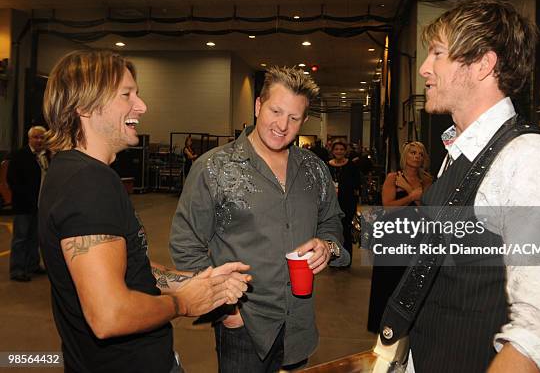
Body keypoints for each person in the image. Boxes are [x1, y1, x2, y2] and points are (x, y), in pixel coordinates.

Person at [378, 0, 540, 372]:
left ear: (482, 64)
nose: (425, 68)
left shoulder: (534, 163)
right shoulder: (460, 151)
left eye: (438, 53)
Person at [38, 50, 251, 373]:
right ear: (84, 105)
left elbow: (127, 267)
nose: (142, 106)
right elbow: (108, 315)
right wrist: (183, 303)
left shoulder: (72, 172)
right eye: (127, 94)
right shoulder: (88, 182)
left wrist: (196, 282)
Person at [170, 66, 349, 373]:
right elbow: (186, 244)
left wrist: (328, 247)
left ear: (304, 120)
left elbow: (332, 221)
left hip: (299, 327)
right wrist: (226, 310)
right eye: (275, 111)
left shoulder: (314, 169)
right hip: (244, 329)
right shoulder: (213, 168)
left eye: (294, 118)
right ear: (258, 106)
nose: (282, 125)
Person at [367, 141, 433, 332]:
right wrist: (412, 196)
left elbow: (429, 211)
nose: (417, 156)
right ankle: (383, 325)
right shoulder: (393, 178)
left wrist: (415, 194)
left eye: (421, 153)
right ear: (406, 155)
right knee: (388, 280)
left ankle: (409, 324)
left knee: (411, 280)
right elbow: (388, 207)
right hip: (393, 235)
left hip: (417, 236)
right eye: (413, 152)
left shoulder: (427, 180)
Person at [7, 125, 49, 282]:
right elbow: (12, 179)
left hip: (40, 205)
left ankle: (33, 265)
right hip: (24, 205)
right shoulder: (20, 155)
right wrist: (24, 196)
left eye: (42, 137)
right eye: (36, 137)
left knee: (35, 237)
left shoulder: (46, 156)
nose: (39, 140)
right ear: (29, 139)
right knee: (21, 238)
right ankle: (17, 269)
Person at [327, 140, 361, 266]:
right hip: (331, 204)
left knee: (345, 231)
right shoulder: (327, 165)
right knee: (332, 231)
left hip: (347, 203)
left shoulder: (351, 166)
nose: (339, 152)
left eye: (341, 149)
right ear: (332, 151)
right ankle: (333, 259)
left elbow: (357, 183)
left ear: (345, 151)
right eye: (336, 149)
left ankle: (346, 260)